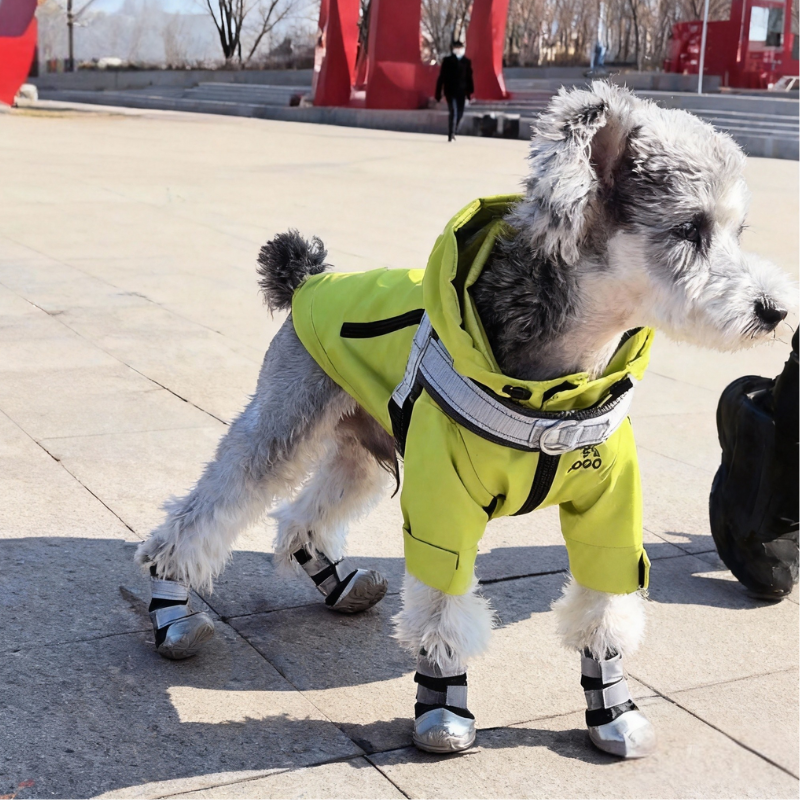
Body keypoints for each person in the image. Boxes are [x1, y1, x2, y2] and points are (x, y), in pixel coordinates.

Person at [435, 40, 474, 142]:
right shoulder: (447, 61)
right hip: (450, 90)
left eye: (460, 48)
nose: (459, 50)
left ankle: (454, 129)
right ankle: (451, 133)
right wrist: (438, 93)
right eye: (457, 47)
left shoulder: (466, 62)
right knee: (453, 111)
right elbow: (441, 77)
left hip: (461, 91)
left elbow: (469, 78)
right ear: (453, 49)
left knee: (460, 113)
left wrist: (469, 93)